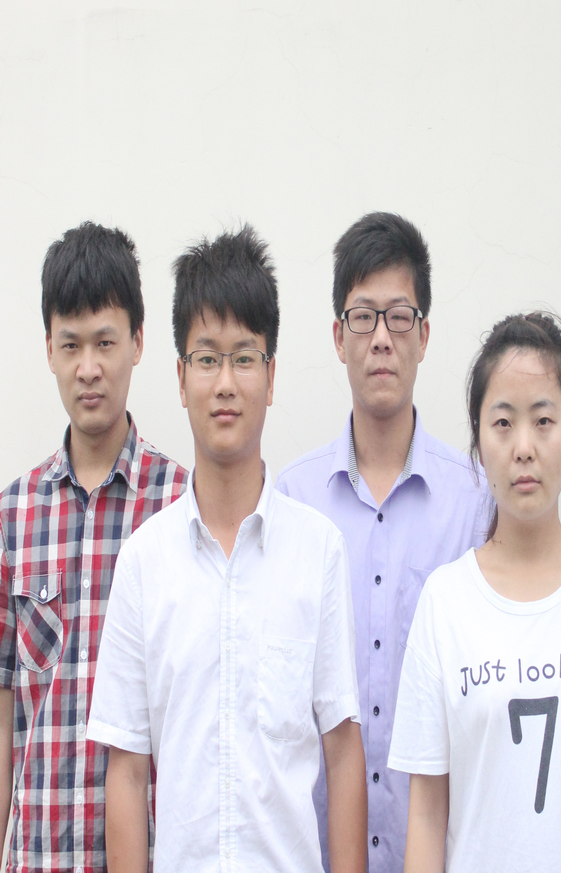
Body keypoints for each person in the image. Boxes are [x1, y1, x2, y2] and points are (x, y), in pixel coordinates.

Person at [87, 225, 366, 873]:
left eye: (244, 357)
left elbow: (343, 749)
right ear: (180, 377)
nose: (225, 383)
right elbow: (126, 768)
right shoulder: (144, 562)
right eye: (207, 358)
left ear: (271, 375)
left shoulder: (317, 550)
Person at [388, 312, 561, 873]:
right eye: (503, 423)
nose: (524, 447)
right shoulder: (445, 602)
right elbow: (427, 815)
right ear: (478, 441)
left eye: (543, 420)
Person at [276, 212, 488, 872]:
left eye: (399, 317)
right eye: (363, 318)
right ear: (338, 337)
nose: (381, 340)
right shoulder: (292, 500)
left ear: (424, 336)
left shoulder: (475, 501)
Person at [0, 222, 187, 873]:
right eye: (71, 344)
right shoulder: (13, 516)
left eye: (105, 342)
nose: (89, 368)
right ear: (48, 349)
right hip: (37, 857)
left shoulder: (181, 506)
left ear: (138, 342)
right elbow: (4, 715)